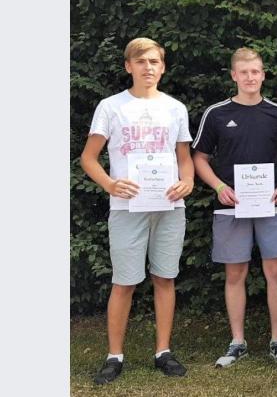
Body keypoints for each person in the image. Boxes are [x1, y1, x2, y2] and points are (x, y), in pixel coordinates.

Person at [80, 37, 194, 384]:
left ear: (163, 67)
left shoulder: (175, 108)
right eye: (141, 61)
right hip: (127, 206)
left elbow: (184, 160)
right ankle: (114, 356)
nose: (148, 67)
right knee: (124, 281)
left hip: (169, 205)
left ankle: (163, 351)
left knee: (165, 277)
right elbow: (88, 158)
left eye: (155, 62)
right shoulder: (111, 107)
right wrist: (111, 184)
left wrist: (187, 182)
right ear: (128, 66)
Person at [192, 47, 277, 367]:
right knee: (235, 272)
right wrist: (219, 186)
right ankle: (237, 341)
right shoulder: (216, 113)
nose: (250, 77)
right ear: (234, 76)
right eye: (244, 72)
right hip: (231, 206)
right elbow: (199, 158)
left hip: (272, 204)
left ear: (263, 74)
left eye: (255, 71)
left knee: (274, 272)